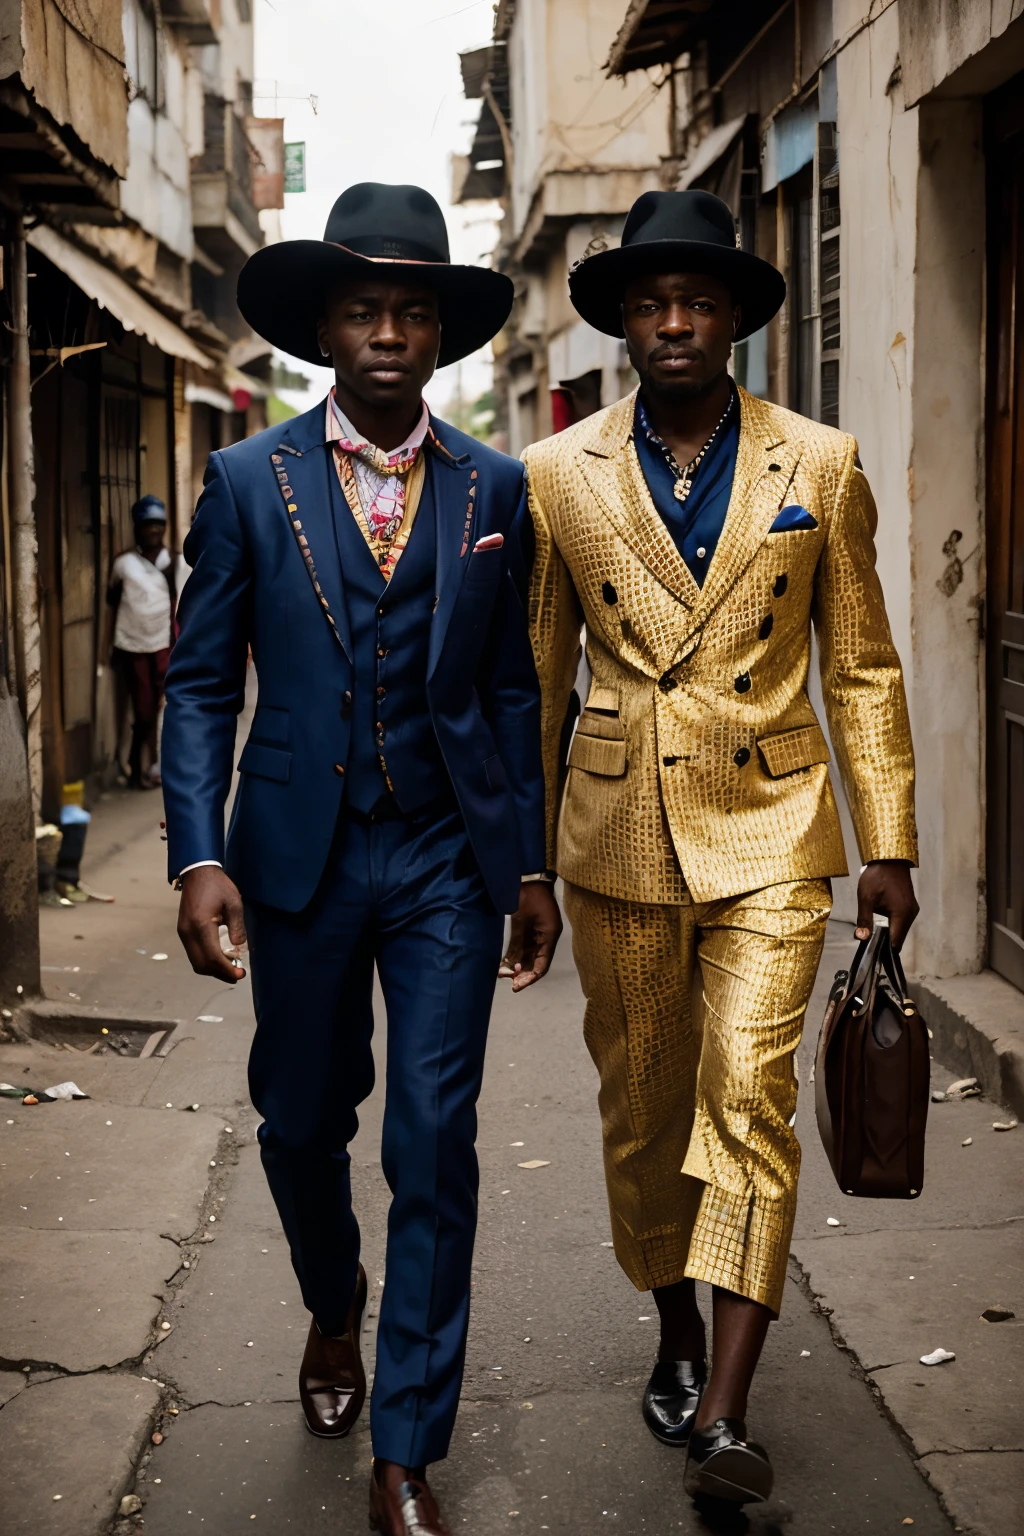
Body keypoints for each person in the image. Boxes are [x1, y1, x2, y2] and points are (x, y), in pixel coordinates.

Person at [161, 183, 562, 1536]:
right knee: (299, 1120)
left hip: (447, 858)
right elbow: (205, 683)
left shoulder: (493, 486)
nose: (387, 330)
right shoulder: (243, 480)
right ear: (325, 331)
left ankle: (408, 1446)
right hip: (297, 862)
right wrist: (192, 854)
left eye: (410, 310)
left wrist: (528, 869)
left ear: (437, 337)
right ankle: (333, 1302)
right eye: (362, 309)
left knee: (434, 1141)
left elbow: (512, 693)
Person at [520, 189, 918, 1505]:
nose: (676, 321)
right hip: (616, 836)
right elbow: (537, 680)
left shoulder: (821, 464)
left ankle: (728, 1418)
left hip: (772, 829)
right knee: (643, 1120)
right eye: (651, 303)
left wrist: (891, 846)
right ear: (625, 324)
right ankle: (676, 1328)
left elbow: (859, 666)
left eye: (699, 300)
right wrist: (525, 863)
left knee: (746, 1100)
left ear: (739, 317)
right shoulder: (555, 476)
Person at [106, 495, 181, 788]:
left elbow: (181, 604)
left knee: (165, 707)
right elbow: (111, 604)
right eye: (146, 525)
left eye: (157, 525)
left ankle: (158, 765)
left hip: (164, 644)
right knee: (142, 709)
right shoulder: (124, 564)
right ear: (137, 528)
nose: (152, 531)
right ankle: (136, 766)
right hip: (132, 645)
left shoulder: (174, 562)